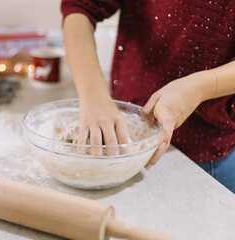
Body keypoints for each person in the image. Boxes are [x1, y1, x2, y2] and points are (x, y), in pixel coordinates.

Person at [61, 0, 235, 192]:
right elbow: (79, 8)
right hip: (124, 139)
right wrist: (93, 94)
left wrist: (201, 87)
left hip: (208, 153)